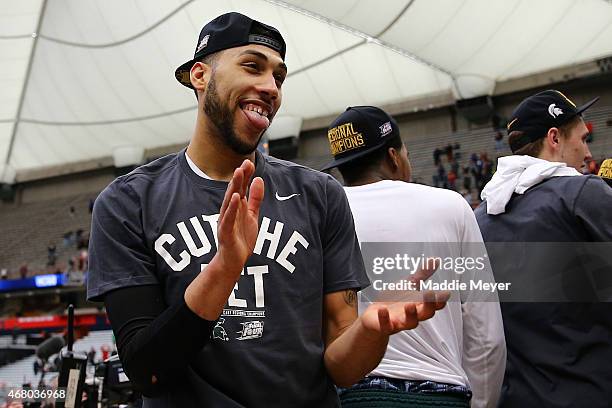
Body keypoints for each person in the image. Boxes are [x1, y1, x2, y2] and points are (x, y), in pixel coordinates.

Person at [86, 12, 446, 407]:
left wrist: (372, 331)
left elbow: (343, 364)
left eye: (278, 76)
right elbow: (147, 371)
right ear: (200, 75)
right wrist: (222, 271)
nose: (270, 87)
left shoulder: (321, 194)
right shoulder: (127, 202)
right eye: (252, 66)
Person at [321, 106, 506, 407]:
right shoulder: (451, 206)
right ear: (394, 156)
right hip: (439, 392)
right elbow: (487, 336)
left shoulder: (324, 214)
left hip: (350, 394)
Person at [474, 90, 612, 407]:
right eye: (582, 138)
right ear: (554, 138)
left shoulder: (480, 217)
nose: (587, 152)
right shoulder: (581, 194)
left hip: (516, 395)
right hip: (592, 389)